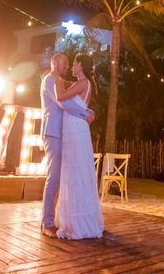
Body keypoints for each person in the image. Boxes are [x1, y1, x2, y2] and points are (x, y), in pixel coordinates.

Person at [40, 53, 96, 238]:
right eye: (65, 63)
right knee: (54, 177)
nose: (67, 66)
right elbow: (63, 103)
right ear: (55, 63)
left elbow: (75, 98)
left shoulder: (60, 80)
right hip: (53, 132)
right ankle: (47, 223)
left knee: (64, 177)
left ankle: (60, 219)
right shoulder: (50, 80)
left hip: (66, 133)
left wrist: (88, 110)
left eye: (70, 63)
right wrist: (85, 114)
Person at [52, 53, 104, 239]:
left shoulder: (83, 83)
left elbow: (60, 96)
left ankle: (77, 223)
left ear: (80, 65)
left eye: (74, 62)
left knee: (75, 173)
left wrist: (55, 75)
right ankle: (76, 219)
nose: (72, 66)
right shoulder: (82, 83)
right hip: (76, 128)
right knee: (75, 172)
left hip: (76, 129)